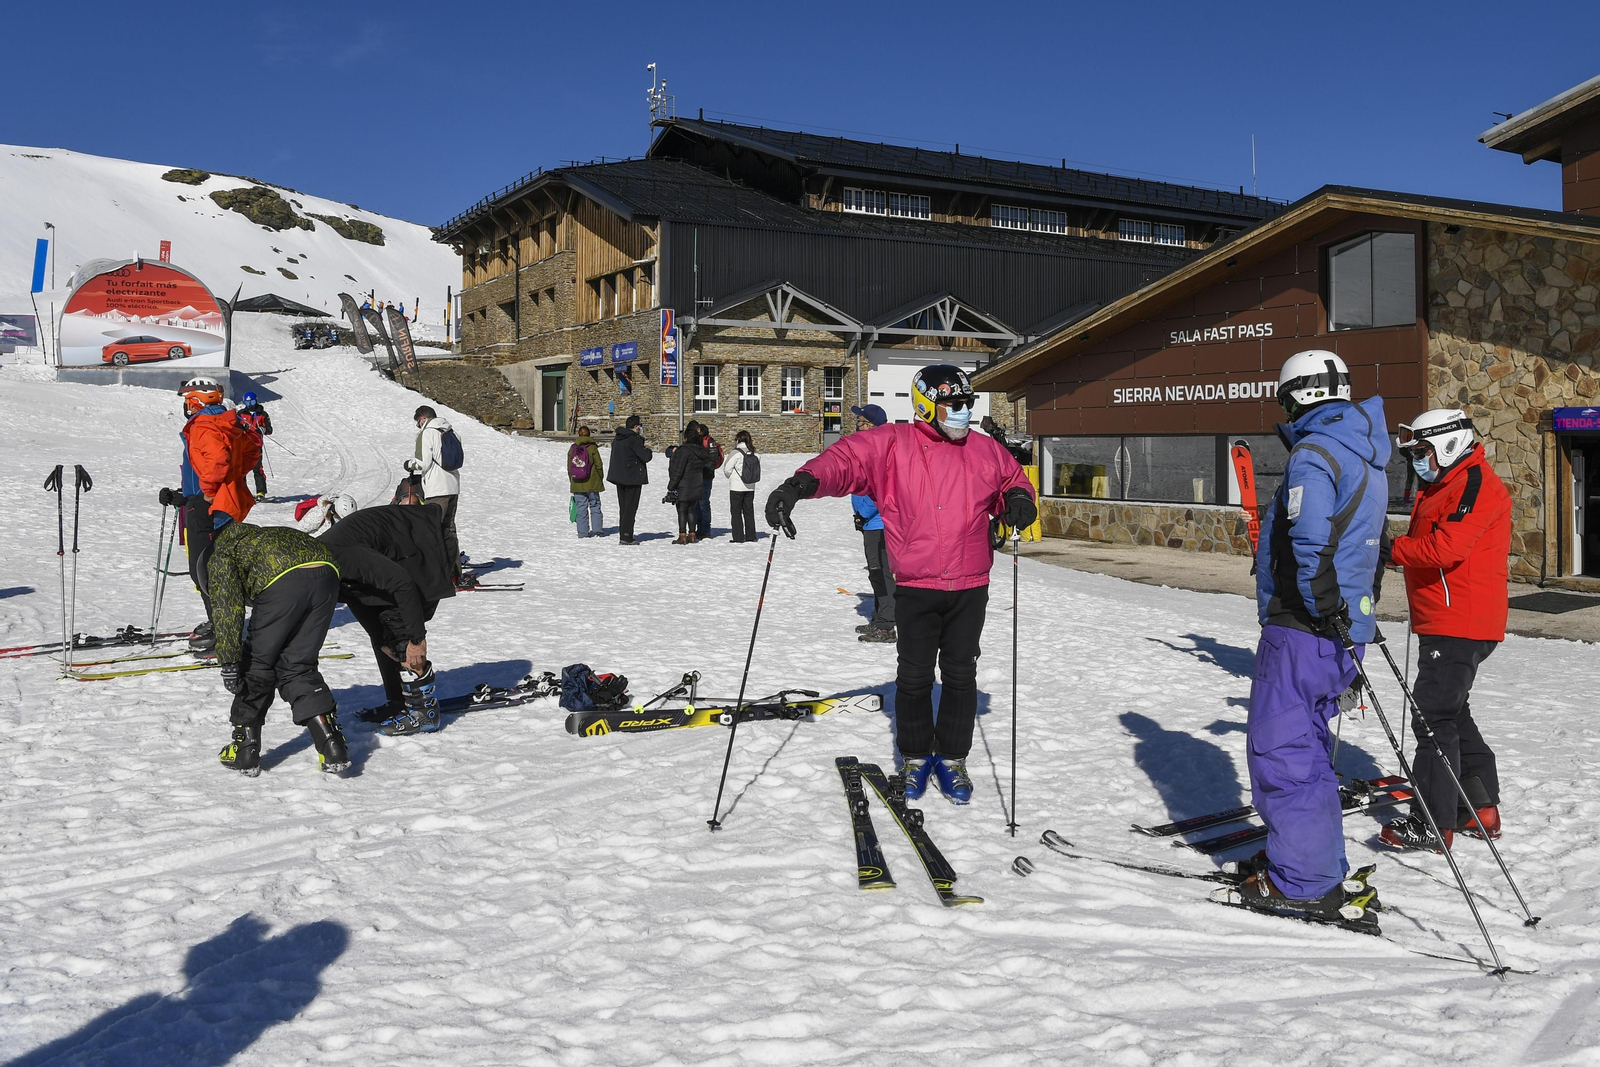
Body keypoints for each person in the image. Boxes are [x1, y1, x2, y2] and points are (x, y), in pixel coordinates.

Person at [765, 365, 1036, 804]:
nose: (964, 413)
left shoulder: (985, 449)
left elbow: (1011, 480)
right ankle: (914, 756)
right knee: (913, 677)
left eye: (968, 404)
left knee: (961, 674)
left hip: (969, 583)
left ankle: (952, 758)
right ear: (927, 406)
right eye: (955, 405)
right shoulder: (892, 444)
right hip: (917, 583)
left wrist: (1020, 500)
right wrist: (800, 485)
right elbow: (844, 461)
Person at [1239, 349, 1390, 918]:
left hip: (1303, 627)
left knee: (1282, 750)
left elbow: (1310, 540)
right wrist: (1353, 617)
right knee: (1309, 750)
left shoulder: (1314, 452)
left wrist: (1322, 608)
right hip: (1339, 629)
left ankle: (1303, 882)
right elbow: (1373, 545)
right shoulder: (1366, 452)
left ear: (1298, 395)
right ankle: (1311, 860)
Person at [1380, 409, 1512, 852]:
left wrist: (1391, 549)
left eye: (1424, 451)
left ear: (1450, 444)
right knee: (1452, 713)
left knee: (1432, 717)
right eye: (1415, 453)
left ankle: (1433, 823)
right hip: (1447, 618)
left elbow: (1448, 546)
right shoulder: (1446, 483)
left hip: (1462, 620)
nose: (1420, 461)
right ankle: (1480, 808)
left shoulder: (1475, 483)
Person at [210, 522, 347, 777]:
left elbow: (227, 609)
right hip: (327, 575)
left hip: (283, 581)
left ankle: (245, 747)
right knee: (299, 664)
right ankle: (331, 743)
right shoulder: (263, 537)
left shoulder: (222, 555)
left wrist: (229, 661)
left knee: (258, 664)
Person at [319, 499, 457, 736]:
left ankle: (424, 713)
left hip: (423, 543)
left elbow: (402, 584)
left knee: (400, 628)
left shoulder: (340, 557)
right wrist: (379, 638)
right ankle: (398, 702)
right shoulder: (319, 567)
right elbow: (354, 595)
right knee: (384, 636)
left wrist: (416, 639)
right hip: (396, 550)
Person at [178, 377, 261, 655]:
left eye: (188, 400)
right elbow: (251, 449)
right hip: (223, 501)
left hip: (208, 505)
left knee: (205, 572)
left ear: (197, 401)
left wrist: (211, 489)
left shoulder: (203, 424)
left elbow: (217, 460)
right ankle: (221, 623)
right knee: (217, 566)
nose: (186, 405)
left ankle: (225, 635)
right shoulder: (230, 421)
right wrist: (231, 480)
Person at [848, 404, 896, 643]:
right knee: (876, 573)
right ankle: (880, 619)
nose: (857, 424)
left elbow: (880, 489)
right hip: (870, 522)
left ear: (871, 425)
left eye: (860, 421)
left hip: (877, 523)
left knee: (881, 573)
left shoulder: (879, 452)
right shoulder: (869, 449)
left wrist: (863, 514)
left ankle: (886, 626)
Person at [410, 406, 463, 585]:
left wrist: (409, 464)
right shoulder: (451, 431)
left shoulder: (427, 434)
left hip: (436, 490)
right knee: (449, 530)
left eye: (418, 422)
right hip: (453, 487)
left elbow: (423, 464)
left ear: (423, 418)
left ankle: (438, 576)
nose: (418, 426)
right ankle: (455, 573)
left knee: (432, 532)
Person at [608, 415, 653, 545]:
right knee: (630, 508)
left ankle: (624, 533)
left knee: (623, 507)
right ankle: (627, 536)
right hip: (632, 477)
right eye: (639, 425)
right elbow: (645, 456)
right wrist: (648, 450)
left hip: (619, 477)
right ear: (635, 426)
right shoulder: (634, 439)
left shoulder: (618, 438)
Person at [667, 425, 711, 544]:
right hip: (697, 483)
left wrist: (671, 486)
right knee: (692, 509)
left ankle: (682, 535)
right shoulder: (701, 450)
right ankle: (692, 534)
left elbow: (678, 470)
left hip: (684, 484)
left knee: (682, 510)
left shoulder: (684, 451)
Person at [568, 425, 606, 538]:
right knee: (595, 505)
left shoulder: (573, 448)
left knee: (581, 507)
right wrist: (600, 478)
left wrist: (572, 480)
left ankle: (582, 532)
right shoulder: (592, 448)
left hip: (577, 482)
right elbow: (599, 464)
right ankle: (597, 530)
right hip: (592, 482)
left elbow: (569, 467)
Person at [723, 429, 760, 542]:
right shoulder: (755, 454)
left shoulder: (735, 453)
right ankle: (751, 536)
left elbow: (727, 469)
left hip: (736, 487)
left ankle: (738, 537)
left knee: (736, 512)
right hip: (750, 487)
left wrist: (731, 477)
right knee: (749, 511)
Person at [238, 390, 274, 501]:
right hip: (243, 445)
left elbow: (269, 429)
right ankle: (242, 492)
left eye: (252, 402)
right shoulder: (241, 414)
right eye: (248, 403)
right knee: (241, 470)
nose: (250, 405)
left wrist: (263, 429)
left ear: (256, 401)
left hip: (256, 445)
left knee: (257, 469)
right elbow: (234, 426)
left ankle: (261, 492)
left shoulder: (262, 414)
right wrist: (241, 428)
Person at [695, 422, 724, 539]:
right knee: (697, 503)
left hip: (706, 477)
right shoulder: (698, 441)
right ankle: (699, 527)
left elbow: (712, 460)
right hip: (698, 476)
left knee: (704, 503)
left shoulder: (709, 442)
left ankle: (705, 529)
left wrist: (704, 469)